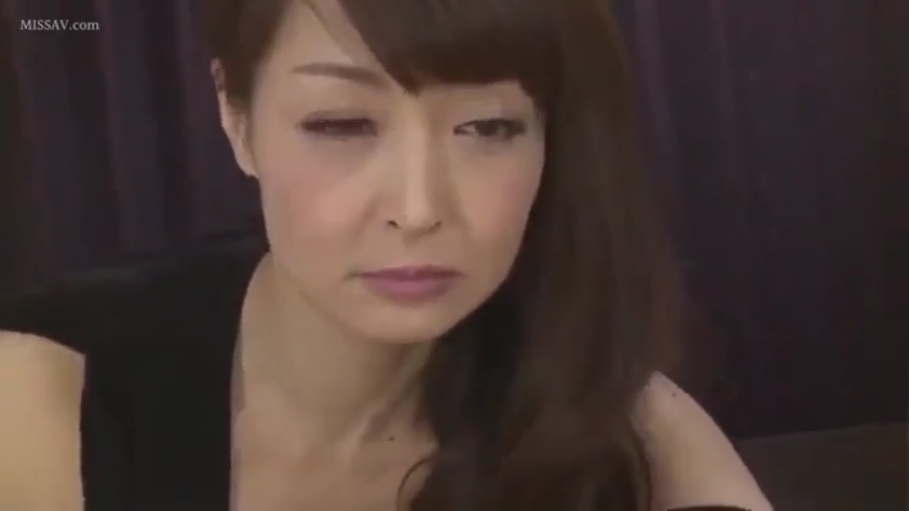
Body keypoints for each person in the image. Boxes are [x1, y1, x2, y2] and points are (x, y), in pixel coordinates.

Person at [0, 0, 771, 510]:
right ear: (237, 118)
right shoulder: (39, 395)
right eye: (341, 124)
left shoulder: (605, 414)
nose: (418, 207)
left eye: (487, 128)